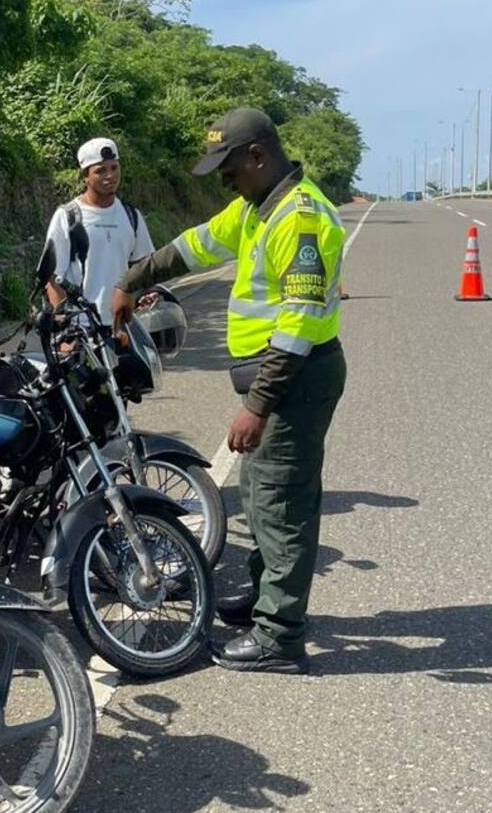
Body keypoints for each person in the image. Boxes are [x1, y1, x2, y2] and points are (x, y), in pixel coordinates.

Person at [111, 107, 347, 674]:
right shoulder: (256, 210)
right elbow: (196, 245)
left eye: (229, 168)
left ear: (259, 156)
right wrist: (131, 278)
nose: (225, 181)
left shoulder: (301, 219)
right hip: (280, 376)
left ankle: (280, 637)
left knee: (281, 503)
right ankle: (267, 600)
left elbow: (296, 322)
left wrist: (256, 406)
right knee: (265, 496)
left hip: (293, 378)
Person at [42, 138, 155, 322]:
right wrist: (65, 332)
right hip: (83, 330)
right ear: (85, 176)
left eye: (114, 167)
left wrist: (147, 293)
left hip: (125, 327)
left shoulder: (131, 215)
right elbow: (53, 278)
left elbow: (144, 266)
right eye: (100, 171)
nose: (110, 175)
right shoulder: (68, 217)